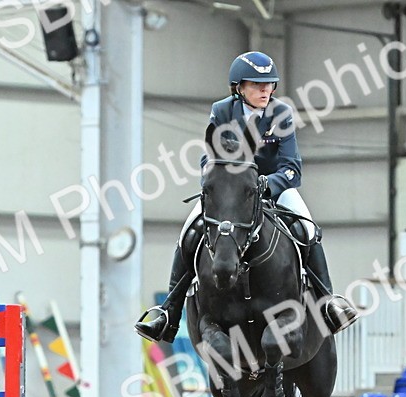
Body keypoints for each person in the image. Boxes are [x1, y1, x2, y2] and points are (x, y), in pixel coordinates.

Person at [135, 51, 359, 343]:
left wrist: (265, 184)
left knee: (307, 228)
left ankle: (328, 301)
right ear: (239, 87)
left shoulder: (281, 114)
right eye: (257, 84)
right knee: (188, 233)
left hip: (273, 188)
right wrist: (221, 180)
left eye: (269, 85)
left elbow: (292, 168)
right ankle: (168, 313)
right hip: (231, 192)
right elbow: (210, 159)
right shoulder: (222, 110)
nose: (265, 90)